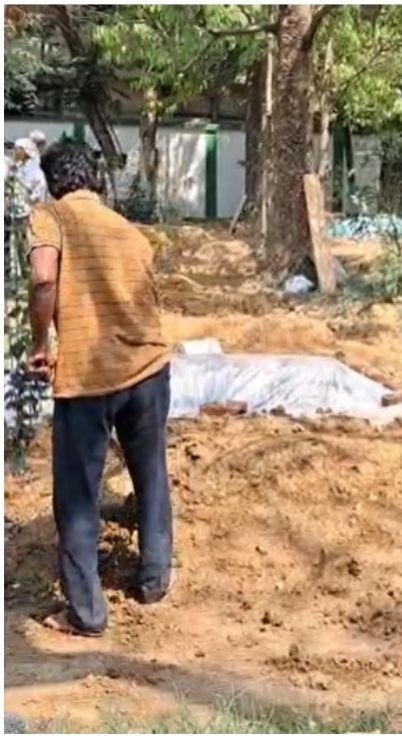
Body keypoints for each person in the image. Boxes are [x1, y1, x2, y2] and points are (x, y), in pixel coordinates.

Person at [27, 142, 173, 637]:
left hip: (88, 373)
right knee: (150, 472)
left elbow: (44, 280)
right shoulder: (129, 230)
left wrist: (40, 342)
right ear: (96, 181)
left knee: (76, 493)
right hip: (150, 365)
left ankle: (86, 614)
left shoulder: (50, 216)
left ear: (54, 183)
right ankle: (154, 582)